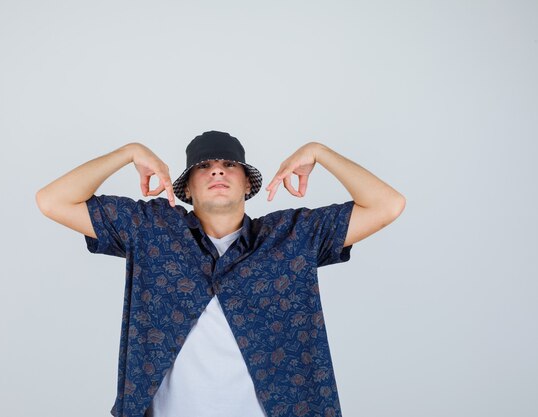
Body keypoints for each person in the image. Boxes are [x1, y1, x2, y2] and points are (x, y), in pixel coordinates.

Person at [36, 130, 405, 417]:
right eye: (204, 166)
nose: (217, 170)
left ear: (247, 183)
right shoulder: (150, 230)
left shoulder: (292, 236)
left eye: (229, 165)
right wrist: (128, 152)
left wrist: (319, 152)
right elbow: (52, 200)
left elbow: (388, 205)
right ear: (187, 189)